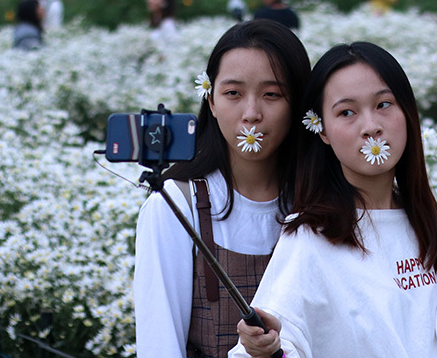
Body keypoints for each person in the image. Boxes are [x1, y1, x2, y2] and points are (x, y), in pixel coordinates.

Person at [230, 42, 437, 357]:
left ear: (407, 112)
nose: (371, 127)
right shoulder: (310, 235)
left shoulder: (424, 221)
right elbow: (278, 344)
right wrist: (263, 347)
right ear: (321, 130)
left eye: (383, 104)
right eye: (346, 112)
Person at [133, 20, 311, 358]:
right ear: (211, 102)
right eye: (233, 93)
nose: (251, 113)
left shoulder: (318, 203)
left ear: (298, 106)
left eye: (272, 94)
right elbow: (160, 346)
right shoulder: (176, 204)